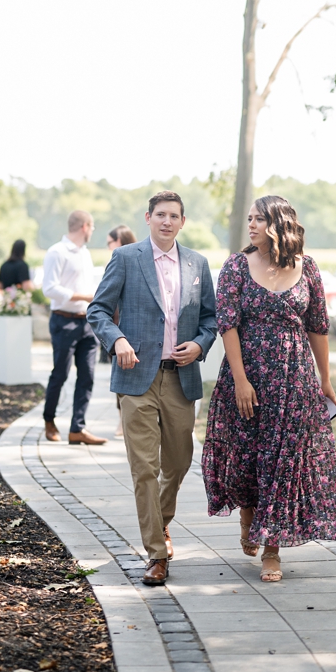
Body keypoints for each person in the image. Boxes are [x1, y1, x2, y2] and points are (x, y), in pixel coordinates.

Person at [201, 195, 336, 582]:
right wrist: (240, 380)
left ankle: (272, 548)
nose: (250, 225)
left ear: (277, 224)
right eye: (249, 219)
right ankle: (249, 516)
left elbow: (318, 327)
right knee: (248, 454)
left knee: (282, 462)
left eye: (257, 219)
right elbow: (228, 324)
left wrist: (326, 380)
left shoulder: (309, 268)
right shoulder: (236, 266)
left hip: (294, 377)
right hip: (247, 372)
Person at [87, 191, 217, 587]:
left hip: (181, 379)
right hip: (137, 378)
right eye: (160, 214)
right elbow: (98, 310)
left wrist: (199, 345)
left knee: (177, 464)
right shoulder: (127, 258)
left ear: (182, 221)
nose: (166, 221)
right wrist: (117, 340)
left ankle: (161, 523)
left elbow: (211, 319)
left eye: (173, 216)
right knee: (145, 467)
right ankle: (156, 554)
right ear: (148, 218)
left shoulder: (198, 264)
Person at [39, 211, 107, 445]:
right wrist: (83, 296)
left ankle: (77, 428)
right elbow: (49, 288)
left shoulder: (85, 254)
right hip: (63, 321)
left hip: (87, 322)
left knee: (87, 376)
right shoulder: (56, 252)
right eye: (92, 227)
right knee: (60, 374)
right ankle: (49, 420)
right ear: (85, 226)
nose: (92, 232)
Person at [106, 224, 137, 437]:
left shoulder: (135, 261)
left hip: (131, 329)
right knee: (121, 380)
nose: (108, 246)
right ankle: (121, 420)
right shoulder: (115, 261)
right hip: (117, 334)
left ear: (120, 241)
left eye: (110, 242)